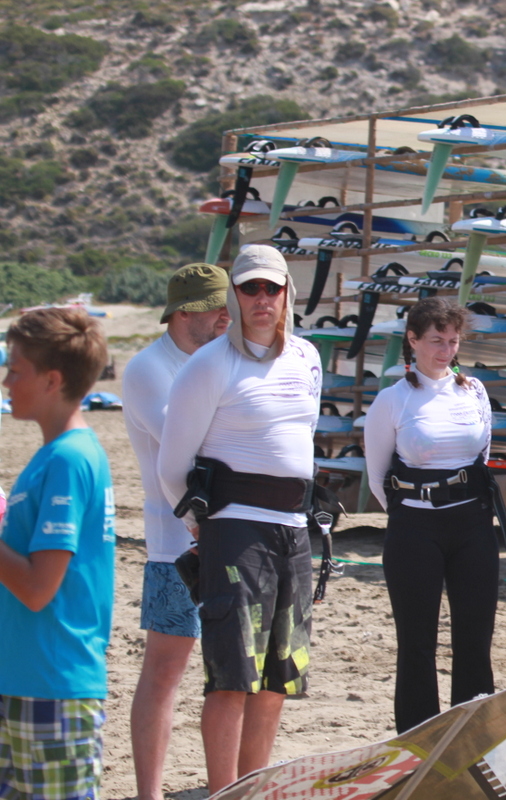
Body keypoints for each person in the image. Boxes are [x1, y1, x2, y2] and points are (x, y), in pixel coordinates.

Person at [158, 245, 321, 794]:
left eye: (271, 287)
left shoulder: (307, 357)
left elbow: (303, 434)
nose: (261, 298)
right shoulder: (209, 365)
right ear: (234, 295)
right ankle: (223, 792)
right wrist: (203, 528)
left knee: (279, 677)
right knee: (231, 677)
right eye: (249, 287)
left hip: (294, 528)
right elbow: (172, 466)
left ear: (287, 293)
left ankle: (254, 788)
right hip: (235, 526)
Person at [364, 297, 498, 733]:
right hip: (415, 525)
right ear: (413, 340)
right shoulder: (392, 399)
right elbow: (377, 477)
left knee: (475, 636)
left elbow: (481, 454)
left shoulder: (474, 391)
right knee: (417, 640)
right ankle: (418, 737)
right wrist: (412, 513)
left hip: (472, 523)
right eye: (437, 340)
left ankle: (471, 735)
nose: (446, 350)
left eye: (453, 341)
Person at [123, 263, 230, 800]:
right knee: (164, 673)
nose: (227, 318)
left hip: (229, 537)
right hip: (173, 546)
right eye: (218, 308)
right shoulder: (148, 367)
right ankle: (149, 794)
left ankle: (226, 785)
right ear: (186, 312)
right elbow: (187, 444)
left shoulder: (214, 361)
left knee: (232, 672)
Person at [0, 308, 115, 800]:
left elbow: (37, 587)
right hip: (28, 679)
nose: (7, 382)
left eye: (15, 369)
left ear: (52, 380)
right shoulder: (53, 456)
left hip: (52, 684)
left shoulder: (69, 458)